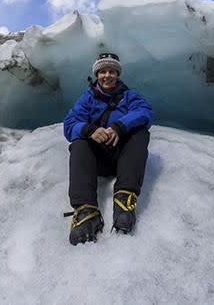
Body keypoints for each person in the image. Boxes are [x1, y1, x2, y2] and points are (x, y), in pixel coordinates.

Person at [63, 52, 154, 245]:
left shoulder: (129, 96)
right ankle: (86, 212)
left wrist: (120, 126)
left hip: (124, 158)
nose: (107, 75)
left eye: (111, 71)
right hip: (97, 160)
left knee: (140, 134)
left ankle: (124, 201)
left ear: (117, 75)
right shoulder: (87, 99)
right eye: (102, 71)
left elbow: (145, 112)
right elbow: (70, 124)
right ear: (97, 75)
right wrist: (89, 130)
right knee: (79, 143)